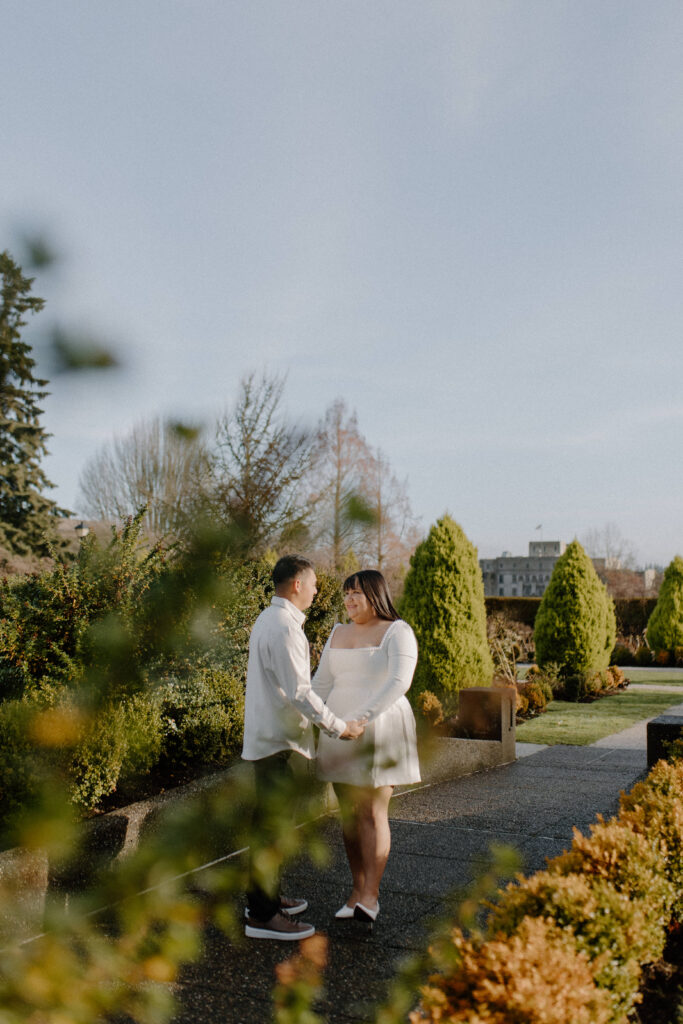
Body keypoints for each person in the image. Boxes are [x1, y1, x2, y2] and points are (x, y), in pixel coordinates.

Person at [241, 554, 366, 940]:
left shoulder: (270, 619)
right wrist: (339, 727)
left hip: (270, 740)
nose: (316, 590)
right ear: (296, 584)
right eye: (313, 583)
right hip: (280, 744)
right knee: (272, 831)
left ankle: (265, 901)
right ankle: (263, 918)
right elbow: (300, 692)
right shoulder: (283, 628)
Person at [312, 569, 420, 922]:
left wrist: (361, 718)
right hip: (339, 730)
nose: (349, 600)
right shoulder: (338, 632)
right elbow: (321, 683)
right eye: (346, 594)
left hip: (380, 728)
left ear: (376, 594)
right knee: (348, 815)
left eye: (356, 593)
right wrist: (318, 722)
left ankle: (371, 896)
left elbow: (398, 682)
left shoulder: (397, 631)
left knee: (372, 813)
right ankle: (356, 891)